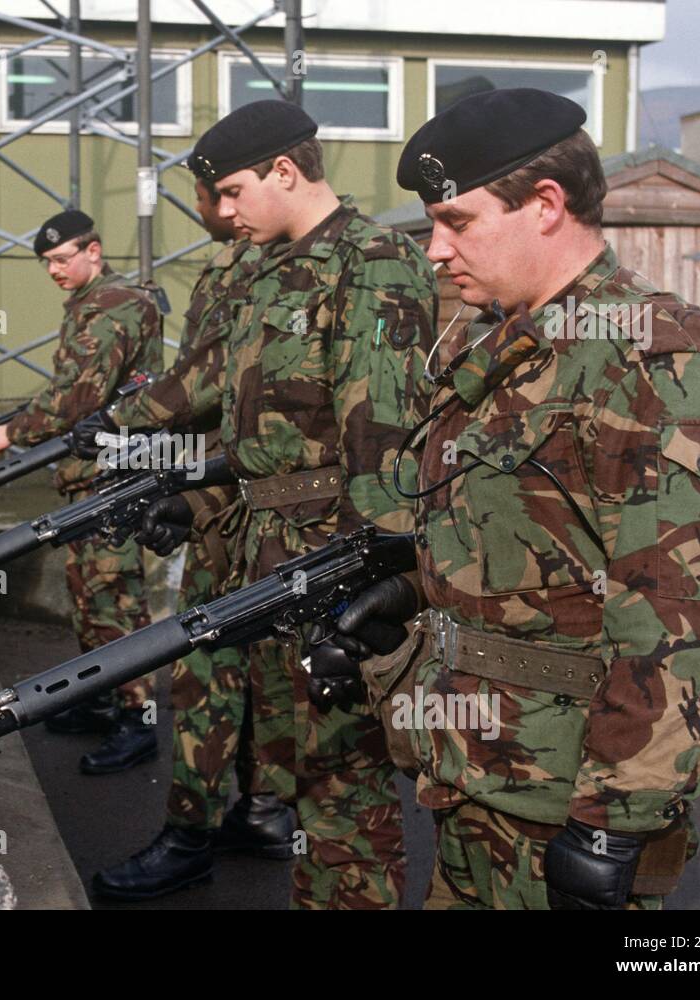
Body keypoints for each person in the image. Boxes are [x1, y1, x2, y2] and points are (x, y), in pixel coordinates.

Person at [321, 88, 700, 909]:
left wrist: (611, 827)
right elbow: (523, 542)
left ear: (547, 205)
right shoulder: (504, 346)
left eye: (457, 221)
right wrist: (411, 585)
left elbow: (681, 615)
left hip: (565, 799)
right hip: (475, 772)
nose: (435, 252)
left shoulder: (652, 357)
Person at [134, 100, 438, 908]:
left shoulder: (371, 263)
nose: (222, 213)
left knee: (344, 790)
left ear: (285, 170)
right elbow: (264, 440)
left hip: (329, 567)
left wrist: (368, 593)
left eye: (232, 191)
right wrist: (197, 503)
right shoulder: (267, 270)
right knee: (300, 775)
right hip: (262, 557)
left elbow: (383, 453)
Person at [77, 179, 297, 901]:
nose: (214, 212)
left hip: (257, 512)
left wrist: (124, 426)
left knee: (209, 670)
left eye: (216, 195)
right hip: (237, 500)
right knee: (253, 671)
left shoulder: (255, 265)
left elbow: (203, 384)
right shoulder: (268, 263)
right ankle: (259, 812)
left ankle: (194, 834)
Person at [0, 209, 164, 773]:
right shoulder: (95, 305)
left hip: (114, 476)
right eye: (47, 263)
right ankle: (103, 697)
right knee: (89, 593)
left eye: (63, 259)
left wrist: (10, 431)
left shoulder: (113, 307)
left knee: (114, 597)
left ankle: (140, 719)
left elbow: (74, 400)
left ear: (95, 250)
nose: (55, 270)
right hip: (93, 476)